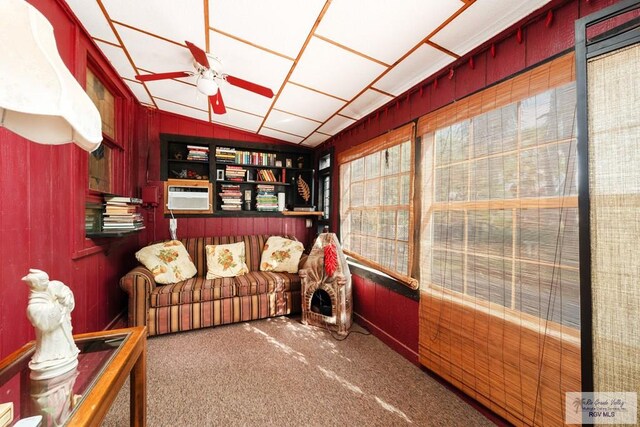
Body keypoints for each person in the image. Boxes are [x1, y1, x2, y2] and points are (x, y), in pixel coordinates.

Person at [22, 269, 80, 379]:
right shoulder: (33, 306)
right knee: (51, 345)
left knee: (64, 347)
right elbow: (45, 325)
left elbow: (66, 292)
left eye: (47, 280)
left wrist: (66, 298)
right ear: (35, 284)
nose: (47, 282)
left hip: (63, 332)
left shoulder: (52, 286)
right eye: (43, 281)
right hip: (49, 337)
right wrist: (59, 305)